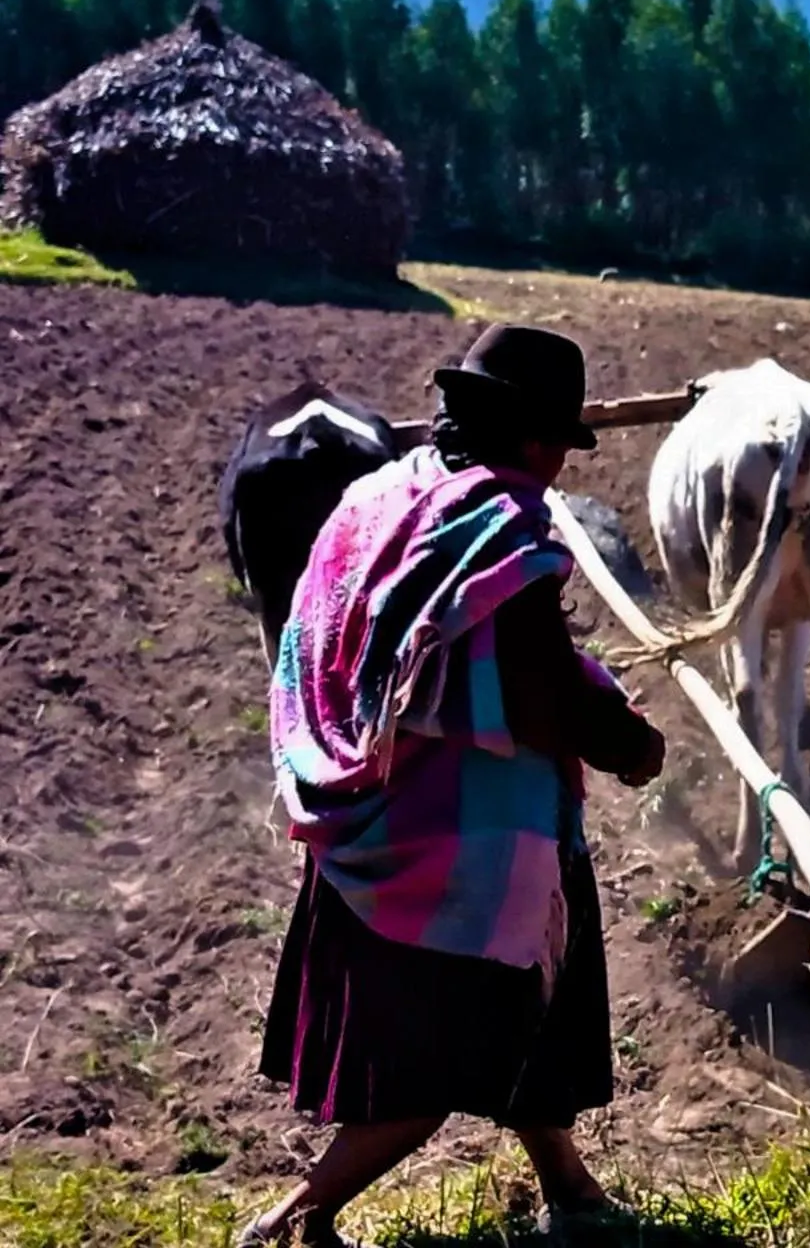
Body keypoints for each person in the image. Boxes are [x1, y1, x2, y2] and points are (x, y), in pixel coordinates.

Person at [240, 325, 668, 1248]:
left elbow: (319, 640)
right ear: (526, 436)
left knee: (533, 1019)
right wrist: (629, 744)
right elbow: (537, 690)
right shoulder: (498, 525)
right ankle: (289, 1224)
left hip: (372, 816)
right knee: (438, 1060)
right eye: (556, 440)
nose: (559, 462)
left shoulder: (379, 495)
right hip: (463, 853)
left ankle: (572, 1189)